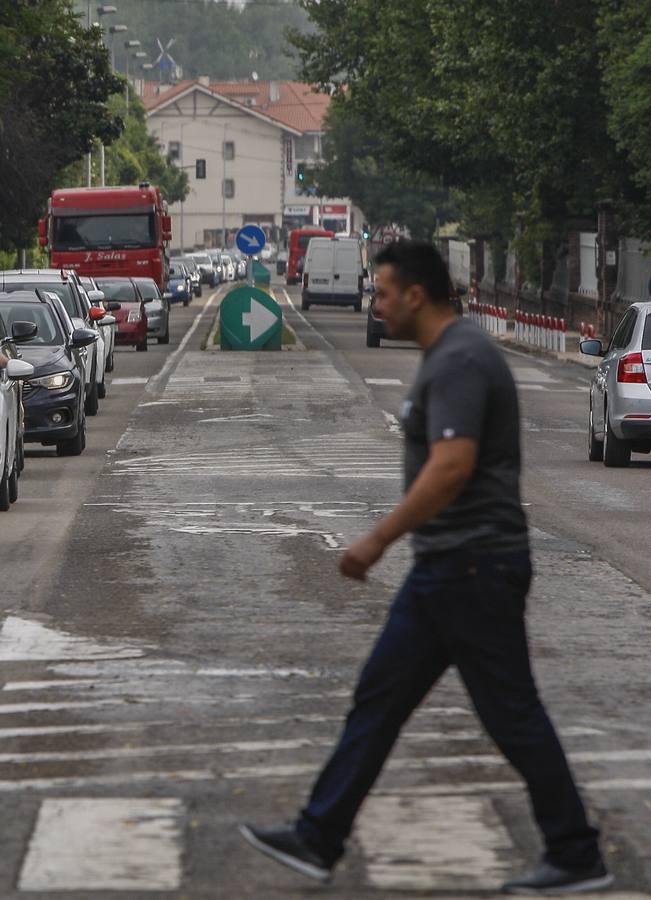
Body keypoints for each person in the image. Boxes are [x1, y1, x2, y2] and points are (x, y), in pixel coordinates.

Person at [238, 241, 612, 896]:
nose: (375, 304)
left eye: (382, 293)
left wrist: (376, 540)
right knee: (380, 701)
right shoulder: (451, 355)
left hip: (471, 564)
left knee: (509, 713)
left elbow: (451, 466)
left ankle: (576, 850)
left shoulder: (461, 359)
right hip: (451, 565)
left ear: (415, 295)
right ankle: (318, 834)